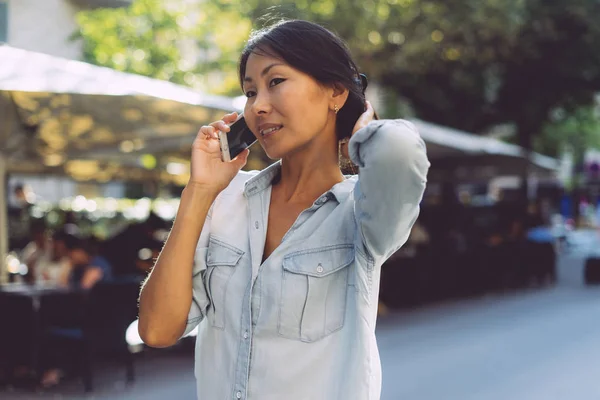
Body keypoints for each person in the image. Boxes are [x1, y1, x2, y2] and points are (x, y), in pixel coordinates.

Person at [138, 20, 429, 400]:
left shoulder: (362, 212)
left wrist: (361, 136)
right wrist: (200, 190)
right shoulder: (227, 199)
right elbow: (157, 330)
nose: (258, 105)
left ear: (336, 91)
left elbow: (401, 152)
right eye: (249, 91)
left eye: (276, 81)